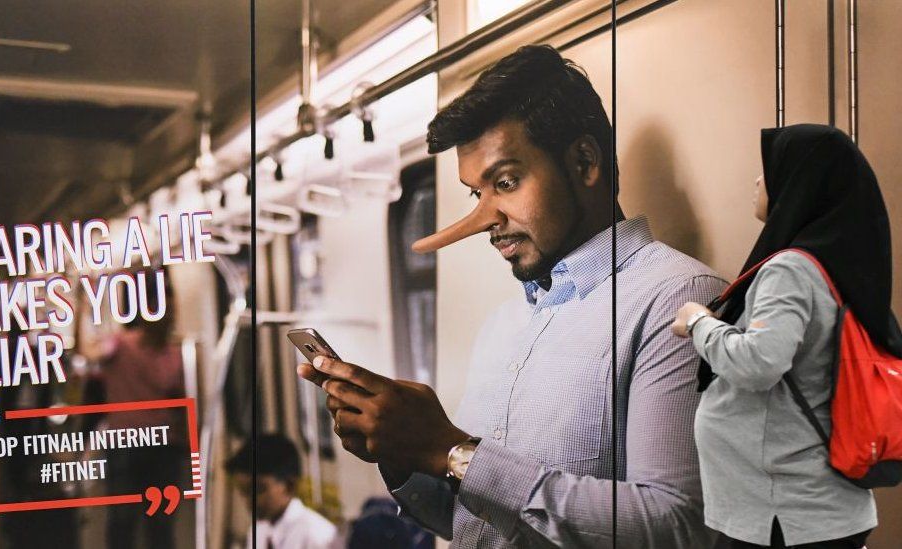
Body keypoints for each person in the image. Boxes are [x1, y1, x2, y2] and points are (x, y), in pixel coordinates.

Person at [298, 45, 726, 547]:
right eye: (476, 194)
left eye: (505, 182)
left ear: (585, 162)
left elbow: (679, 526)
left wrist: (453, 451)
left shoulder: (679, 301)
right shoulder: (503, 326)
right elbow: (477, 522)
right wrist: (402, 449)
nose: (486, 218)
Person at [672, 124, 901, 548]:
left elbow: (759, 363)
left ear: (800, 181)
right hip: (803, 507)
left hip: (784, 513)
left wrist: (698, 321)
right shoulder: (833, 263)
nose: (758, 180)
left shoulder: (791, 269)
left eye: (769, 169)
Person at [97, 270, 189, 549]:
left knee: (161, 525)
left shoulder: (174, 354)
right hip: (126, 443)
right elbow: (87, 354)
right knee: (123, 522)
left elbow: (180, 402)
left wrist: (187, 444)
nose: (170, 317)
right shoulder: (120, 344)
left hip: (164, 447)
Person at [251, 434, 338, 549]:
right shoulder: (258, 531)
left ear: (288, 485)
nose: (250, 500)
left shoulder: (319, 535)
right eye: (245, 492)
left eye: (260, 489)